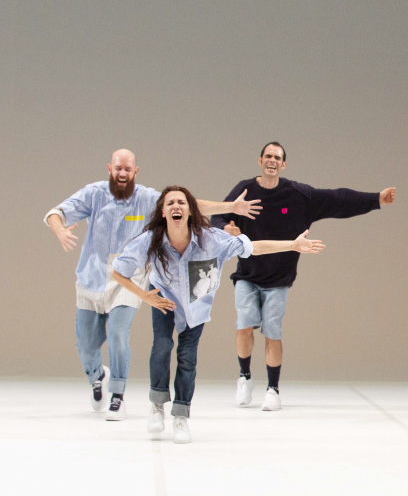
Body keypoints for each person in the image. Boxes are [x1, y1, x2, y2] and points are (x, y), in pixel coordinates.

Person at [45, 149, 260, 421]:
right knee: (86, 346)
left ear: (136, 172)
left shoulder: (147, 198)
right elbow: (57, 213)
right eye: (118, 168)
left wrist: (231, 207)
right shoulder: (94, 194)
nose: (122, 173)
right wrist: (60, 230)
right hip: (92, 276)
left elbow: (188, 205)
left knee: (119, 335)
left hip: (129, 278)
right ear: (110, 169)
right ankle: (97, 376)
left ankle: (118, 396)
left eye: (128, 169)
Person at [112, 186, 325, 443]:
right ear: (163, 211)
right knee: (162, 345)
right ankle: (157, 405)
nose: (176, 206)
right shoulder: (150, 240)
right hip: (164, 301)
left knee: (187, 358)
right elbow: (118, 271)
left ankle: (180, 415)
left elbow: (253, 247)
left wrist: (292, 245)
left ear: (191, 210)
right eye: (170, 203)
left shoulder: (211, 239)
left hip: (196, 307)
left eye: (182, 202)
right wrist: (144, 296)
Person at [211, 142, 396, 411]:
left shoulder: (298, 195)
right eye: (268, 156)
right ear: (260, 160)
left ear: (283, 164)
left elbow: (337, 199)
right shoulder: (245, 189)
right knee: (244, 325)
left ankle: (273, 390)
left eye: (277, 157)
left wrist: (376, 199)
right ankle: (245, 377)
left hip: (279, 279)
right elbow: (218, 216)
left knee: (272, 331)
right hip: (247, 275)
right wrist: (225, 227)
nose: (272, 161)